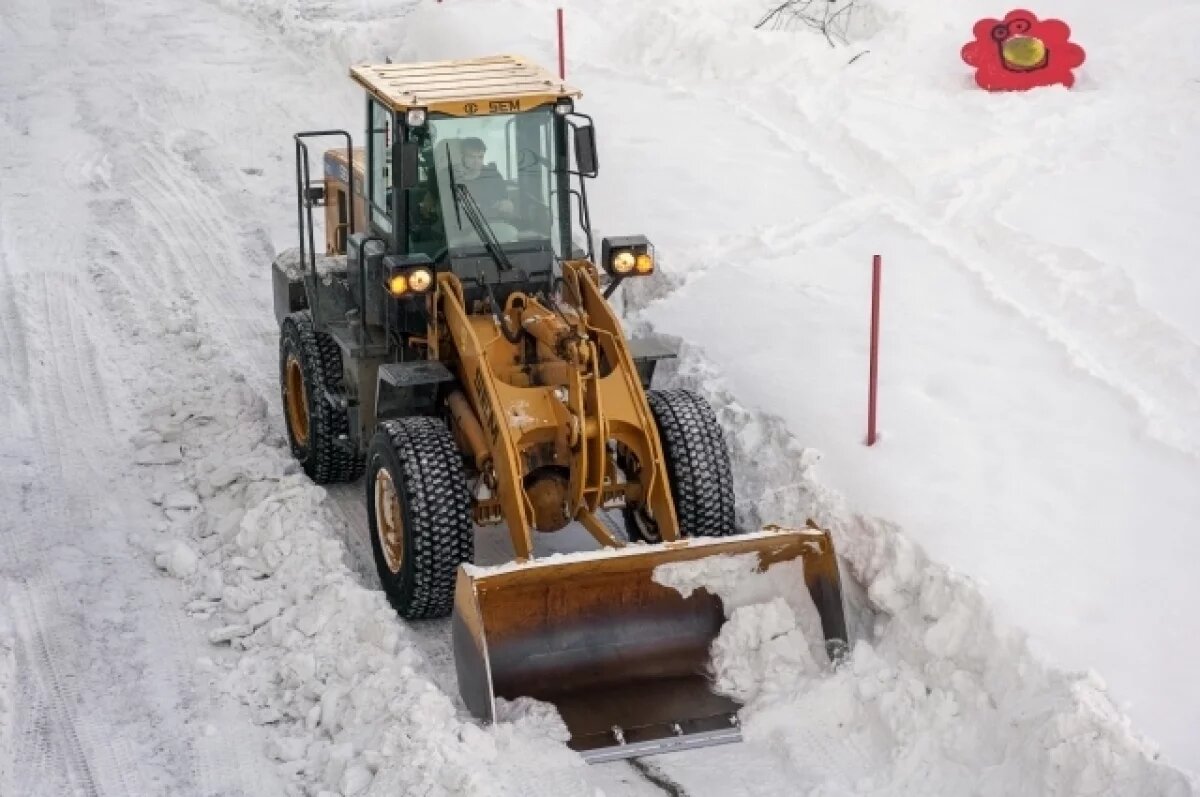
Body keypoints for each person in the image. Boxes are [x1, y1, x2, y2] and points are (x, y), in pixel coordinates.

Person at [456, 137, 515, 218]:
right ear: (462, 156)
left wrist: (507, 205)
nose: (476, 161)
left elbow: (506, 203)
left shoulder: (493, 175)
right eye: (472, 157)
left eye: (480, 157)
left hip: (494, 221)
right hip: (464, 223)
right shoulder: (450, 176)